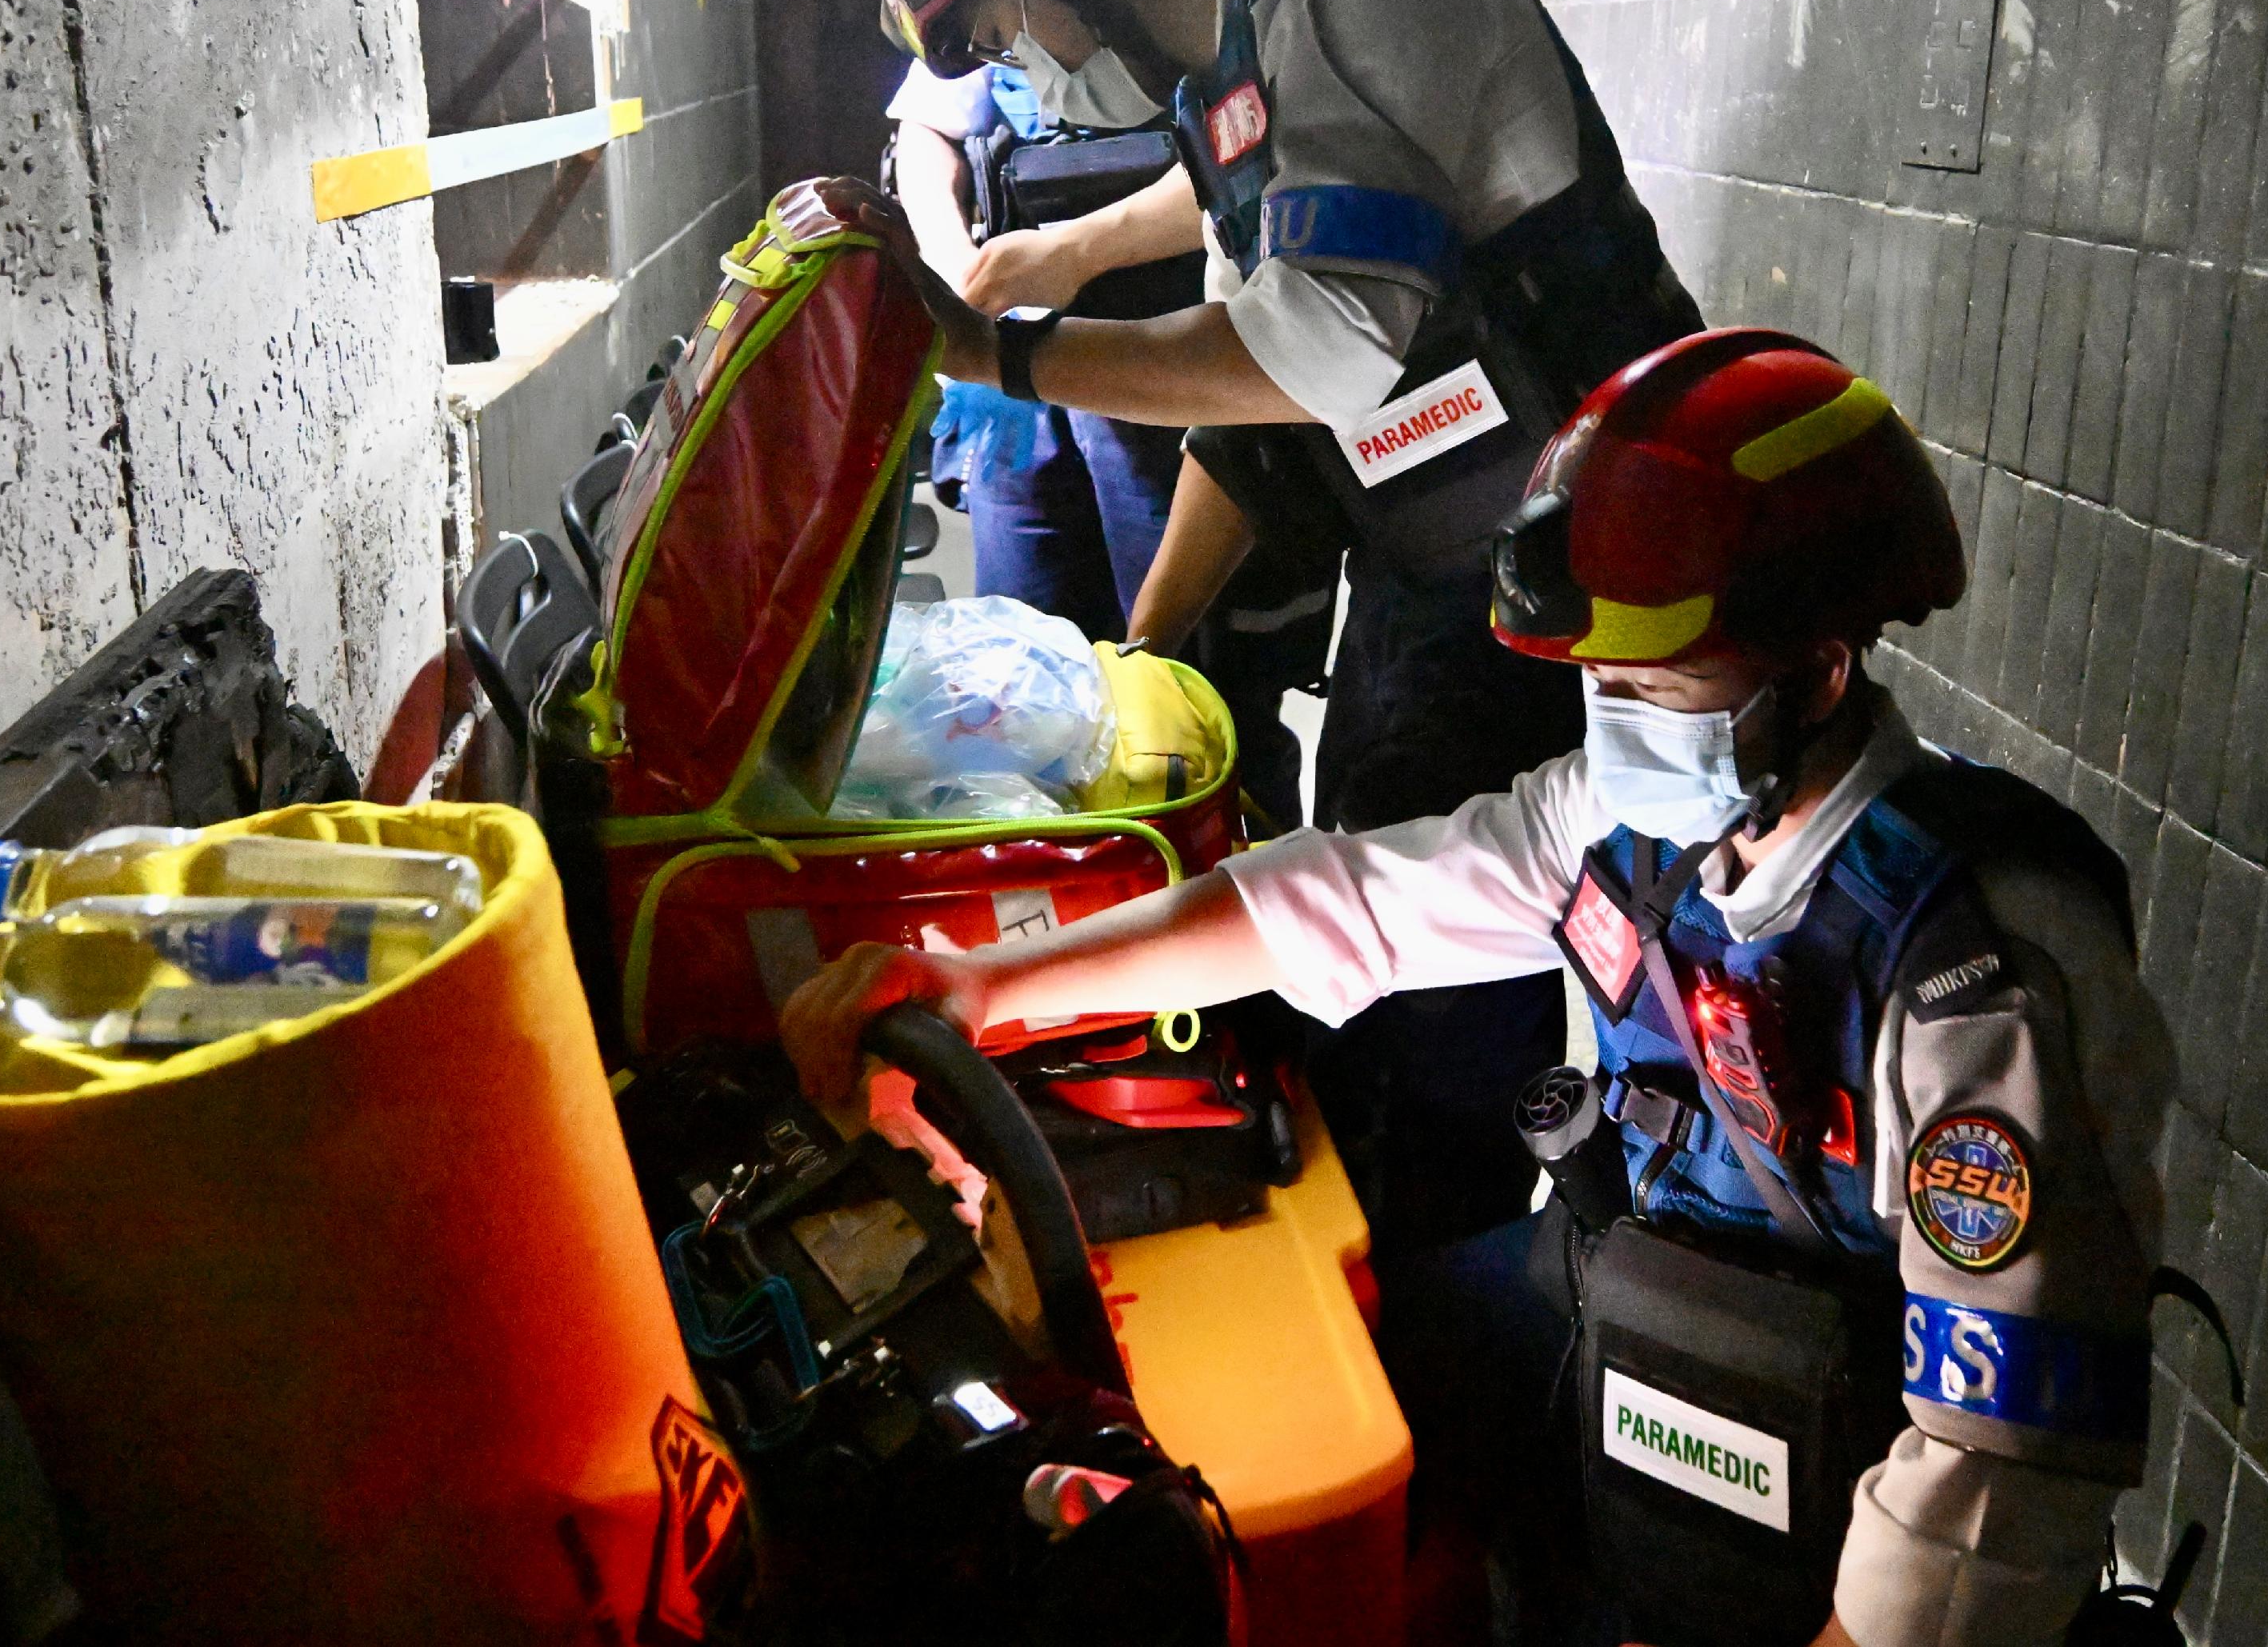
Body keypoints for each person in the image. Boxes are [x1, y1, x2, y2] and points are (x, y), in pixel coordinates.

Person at [781, 330, 2178, 1647]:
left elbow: (1998, 1463)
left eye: (1659, 682)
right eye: (1600, 685)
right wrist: (982, 982)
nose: (1614, 725)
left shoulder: (1979, 975)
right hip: (1658, 1319)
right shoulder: (1638, 827)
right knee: (1352, 1383)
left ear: (1819, 668)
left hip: (1851, 1438)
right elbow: (1353, 900)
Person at [857, 0, 1708, 1246]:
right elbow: (1262, 432)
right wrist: (1148, 651)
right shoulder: (1236, 64)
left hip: (1621, 574)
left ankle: (1465, 1328)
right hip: (1451, 568)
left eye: (1001, 33)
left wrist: (1004, 352)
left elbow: (1316, 350)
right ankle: (1398, 1266)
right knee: (1362, 933)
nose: (1028, 75)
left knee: (1471, 996)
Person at [855, 0, 1327, 825]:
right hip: (1027, 368)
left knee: (1194, 699)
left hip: (1178, 341)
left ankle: (1217, 949)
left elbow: (1253, 170)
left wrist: (1070, 255)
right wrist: (962, 270)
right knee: (1038, 692)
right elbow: (929, 123)